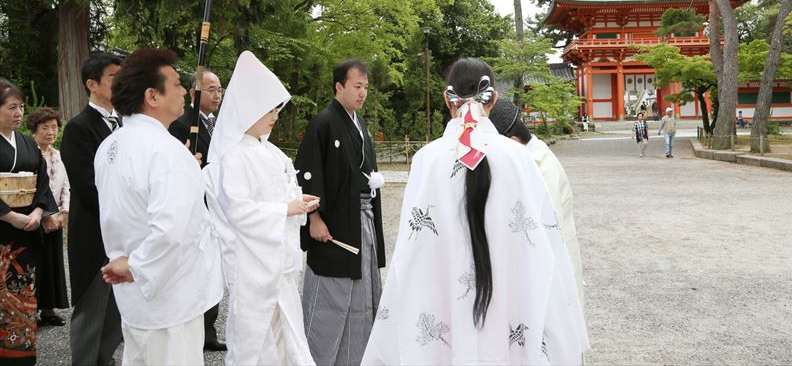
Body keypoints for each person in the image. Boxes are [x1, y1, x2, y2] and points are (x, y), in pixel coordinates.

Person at [362, 59, 589, 365]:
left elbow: (411, 249)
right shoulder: (518, 158)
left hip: (443, 303)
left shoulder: (426, 160)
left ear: (447, 99)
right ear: (493, 99)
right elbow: (545, 242)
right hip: (509, 302)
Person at [94, 48, 224, 365]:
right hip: (169, 296)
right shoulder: (166, 152)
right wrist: (137, 266)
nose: (185, 91)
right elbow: (171, 230)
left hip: (133, 289)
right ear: (152, 96)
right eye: (177, 84)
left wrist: (129, 265)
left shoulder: (109, 145)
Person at [205, 51, 318, 365]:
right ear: (249, 111)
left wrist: (300, 201)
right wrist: (285, 210)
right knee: (256, 336)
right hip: (253, 261)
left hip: (277, 259)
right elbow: (237, 210)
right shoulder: (233, 157)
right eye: (270, 109)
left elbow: (286, 193)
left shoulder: (273, 153)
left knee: (287, 330)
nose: (275, 116)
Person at [296, 59, 386, 366]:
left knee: (360, 297)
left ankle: (355, 358)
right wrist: (314, 218)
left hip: (359, 220)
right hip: (333, 224)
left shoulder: (358, 123)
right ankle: (316, 359)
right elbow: (308, 172)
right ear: (339, 87)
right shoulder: (324, 122)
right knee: (330, 297)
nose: (362, 94)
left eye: (365, 88)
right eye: (356, 87)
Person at [60, 51, 124, 366]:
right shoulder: (78, 128)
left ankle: (105, 360)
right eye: (113, 77)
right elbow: (87, 185)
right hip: (95, 234)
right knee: (91, 313)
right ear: (92, 83)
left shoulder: (128, 124)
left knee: (116, 315)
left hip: (126, 237)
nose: (121, 82)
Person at [489, 98, 585, 307]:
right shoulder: (531, 157)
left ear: (512, 141)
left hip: (552, 276)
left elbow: (544, 233)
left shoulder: (541, 168)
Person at [0, 83, 58, 365]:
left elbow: (42, 182)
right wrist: (9, 215)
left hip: (27, 231)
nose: (19, 113)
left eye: (21, 107)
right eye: (12, 107)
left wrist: (37, 212)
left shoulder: (26, 143)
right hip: (2, 226)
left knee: (21, 292)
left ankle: (19, 354)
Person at [168, 68, 226, 351]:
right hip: (195, 204)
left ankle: (208, 330)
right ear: (194, 93)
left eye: (219, 89)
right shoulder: (181, 124)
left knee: (215, 269)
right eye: (211, 89)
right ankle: (192, 328)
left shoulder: (222, 124)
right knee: (196, 269)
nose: (217, 94)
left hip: (219, 205)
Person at [27, 107, 70, 326]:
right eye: (45, 127)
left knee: (53, 264)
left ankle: (48, 309)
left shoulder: (57, 154)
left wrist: (64, 213)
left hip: (57, 219)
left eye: (54, 127)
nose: (50, 132)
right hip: (35, 218)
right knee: (35, 264)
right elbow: (34, 190)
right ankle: (28, 310)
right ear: (33, 130)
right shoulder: (29, 154)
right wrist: (46, 216)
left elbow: (66, 187)